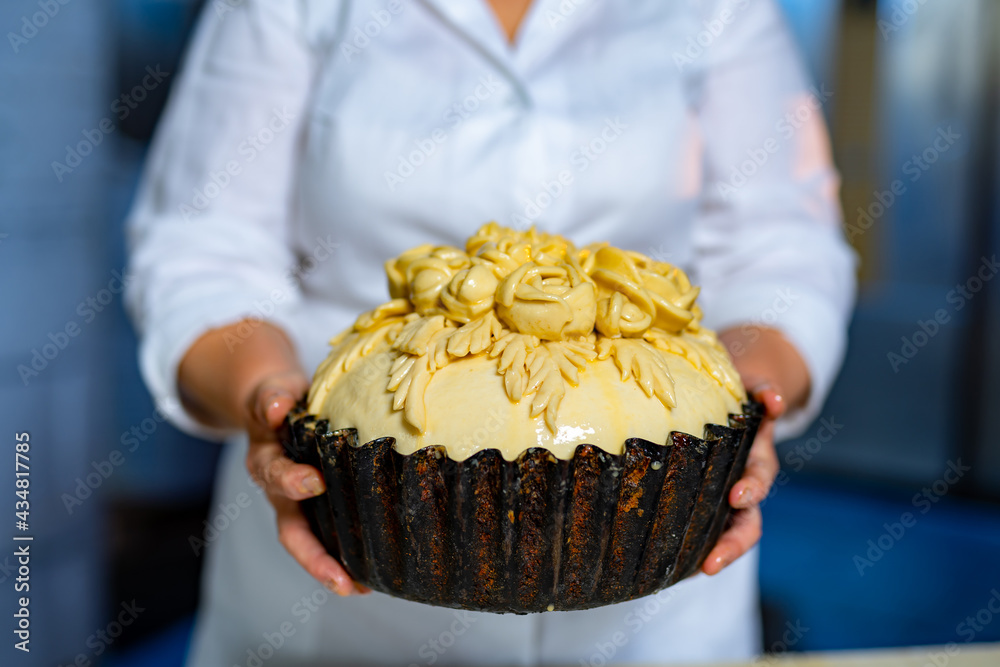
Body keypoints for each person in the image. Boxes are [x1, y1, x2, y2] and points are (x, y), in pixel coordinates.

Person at [126, 0, 855, 664]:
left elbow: (781, 246)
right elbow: (202, 246)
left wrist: (753, 393)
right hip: (343, 537)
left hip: (655, 586)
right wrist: (261, 391)